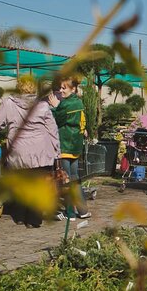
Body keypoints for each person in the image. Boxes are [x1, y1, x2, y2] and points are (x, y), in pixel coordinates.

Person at [0, 76, 60, 228]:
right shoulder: (42, 105)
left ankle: (19, 216)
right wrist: (56, 151)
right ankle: (33, 220)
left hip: (18, 151)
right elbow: (52, 130)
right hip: (41, 151)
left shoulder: (9, 103)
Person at [50, 77, 90, 220]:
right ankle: (83, 210)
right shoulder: (78, 102)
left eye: (64, 88)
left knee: (65, 179)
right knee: (75, 179)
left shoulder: (66, 104)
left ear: (73, 89)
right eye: (60, 88)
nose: (61, 91)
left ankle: (70, 213)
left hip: (65, 143)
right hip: (75, 145)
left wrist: (55, 106)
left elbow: (56, 119)